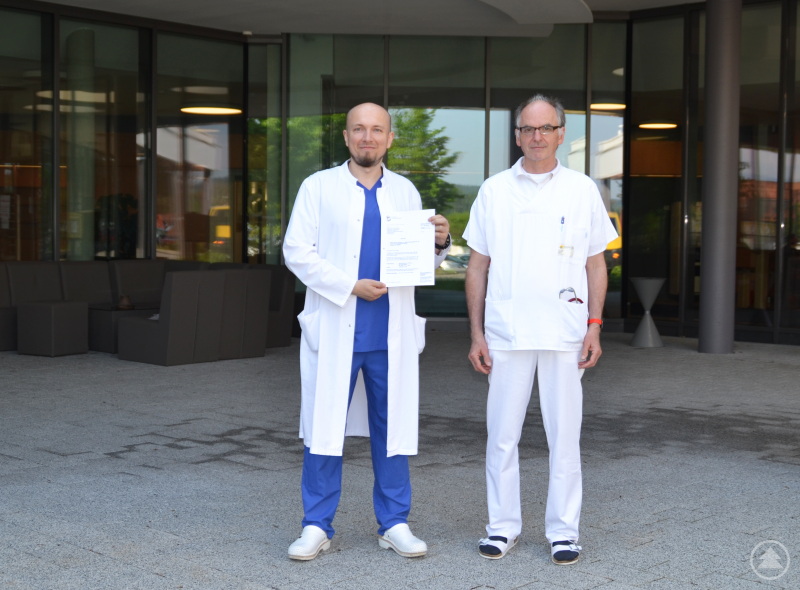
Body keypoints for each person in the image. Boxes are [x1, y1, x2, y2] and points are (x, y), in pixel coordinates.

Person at [283, 102, 452, 561]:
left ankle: (394, 522)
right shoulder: (318, 188)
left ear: (390, 138)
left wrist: (439, 244)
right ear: (345, 136)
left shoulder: (406, 192)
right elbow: (296, 251)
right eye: (359, 129)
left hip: (389, 334)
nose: (367, 137)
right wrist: (348, 285)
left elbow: (419, 266)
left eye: (377, 130)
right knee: (323, 427)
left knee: (391, 428)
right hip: (337, 328)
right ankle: (316, 525)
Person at [463, 94, 617, 565]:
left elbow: (596, 263)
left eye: (545, 128)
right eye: (527, 129)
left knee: (564, 437)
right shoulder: (494, 189)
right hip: (507, 333)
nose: (536, 137)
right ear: (517, 135)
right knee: (501, 436)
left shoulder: (582, 188)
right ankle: (502, 528)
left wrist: (594, 325)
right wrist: (476, 333)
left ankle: (564, 532)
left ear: (560, 133)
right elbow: (476, 267)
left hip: (565, 333)